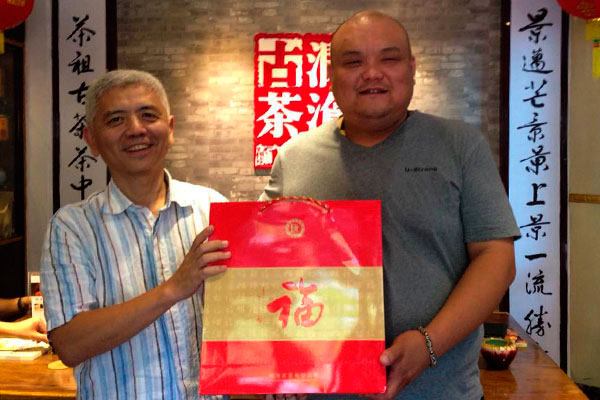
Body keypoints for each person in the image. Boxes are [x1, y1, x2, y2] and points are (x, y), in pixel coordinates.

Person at [260, 10, 520, 400]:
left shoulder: (459, 146)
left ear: (411, 69)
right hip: (321, 390)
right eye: (353, 62)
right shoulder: (294, 158)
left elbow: (496, 259)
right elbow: (264, 265)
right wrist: (274, 364)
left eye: (389, 58)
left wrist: (429, 344)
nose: (372, 73)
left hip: (442, 392)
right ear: (331, 75)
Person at [40, 70, 230, 399]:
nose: (136, 129)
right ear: (91, 140)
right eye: (116, 120)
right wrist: (174, 288)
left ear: (170, 128)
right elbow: (70, 344)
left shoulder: (213, 209)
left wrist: (280, 370)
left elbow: (250, 310)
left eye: (148, 115)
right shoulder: (72, 227)